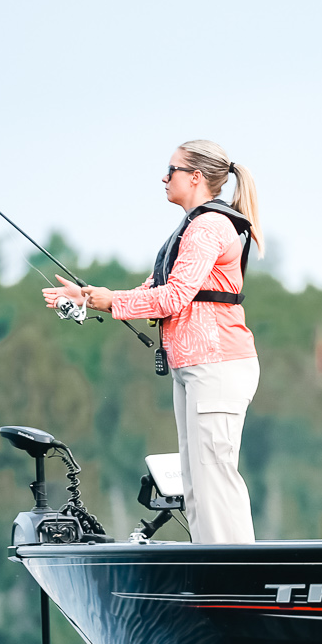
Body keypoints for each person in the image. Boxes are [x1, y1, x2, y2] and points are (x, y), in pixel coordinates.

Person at [43, 140, 262, 543]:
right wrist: (89, 296)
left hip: (215, 366)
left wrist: (107, 300)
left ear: (195, 177)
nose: (164, 177)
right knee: (196, 483)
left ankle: (232, 573)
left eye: (172, 170)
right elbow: (153, 291)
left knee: (214, 478)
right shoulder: (193, 227)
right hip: (194, 368)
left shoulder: (209, 227)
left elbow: (173, 297)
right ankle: (214, 573)